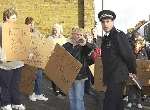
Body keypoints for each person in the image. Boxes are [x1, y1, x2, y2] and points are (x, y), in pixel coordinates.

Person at [98, 10, 137, 110]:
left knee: (109, 104)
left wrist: (132, 71)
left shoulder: (118, 35)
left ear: (113, 21)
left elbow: (129, 55)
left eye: (108, 21)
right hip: (111, 76)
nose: (105, 24)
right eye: (103, 22)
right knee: (117, 104)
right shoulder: (106, 38)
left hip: (117, 77)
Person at [62, 26, 94, 110]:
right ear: (72, 35)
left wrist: (84, 43)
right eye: (77, 34)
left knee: (79, 98)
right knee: (72, 98)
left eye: (80, 35)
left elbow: (91, 48)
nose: (78, 36)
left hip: (80, 75)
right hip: (68, 75)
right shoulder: (67, 45)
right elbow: (59, 55)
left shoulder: (84, 46)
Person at [0, 8, 25, 110]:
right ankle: (5, 104)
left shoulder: (17, 28)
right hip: (5, 63)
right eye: (13, 18)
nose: (15, 20)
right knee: (5, 85)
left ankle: (16, 102)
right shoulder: (1, 28)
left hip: (17, 62)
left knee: (15, 84)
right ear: (6, 17)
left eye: (16, 18)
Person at [25, 17, 48, 102]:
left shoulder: (37, 33)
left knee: (39, 76)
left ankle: (38, 93)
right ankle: (31, 93)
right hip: (29, 59)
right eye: (30, 23)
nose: (32, 25)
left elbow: (42, 42)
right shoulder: (24, 33)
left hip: (38, 58)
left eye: (33, 23)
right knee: (30, 77)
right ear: (27, 24)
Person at [127, 32, 147, 109]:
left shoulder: (143, 50)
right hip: (131, 71)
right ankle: (130, 101)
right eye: (136, 38)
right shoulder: (130, 48)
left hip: (140, 71)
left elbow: (145, 59)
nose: (137, 40)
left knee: (139, 87)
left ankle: (139, 102)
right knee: (131, 86)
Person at [48, 23, 66, 97]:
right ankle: (56, 90)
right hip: (53, 58)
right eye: (54, 30)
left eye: (56, 30)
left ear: (60, 30)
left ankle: (62, 89)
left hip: (62, 59)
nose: (55, 31)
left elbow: (66, 48)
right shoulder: (50, 38)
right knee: (54, 75)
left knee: (62, 75)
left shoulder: (63, 38)